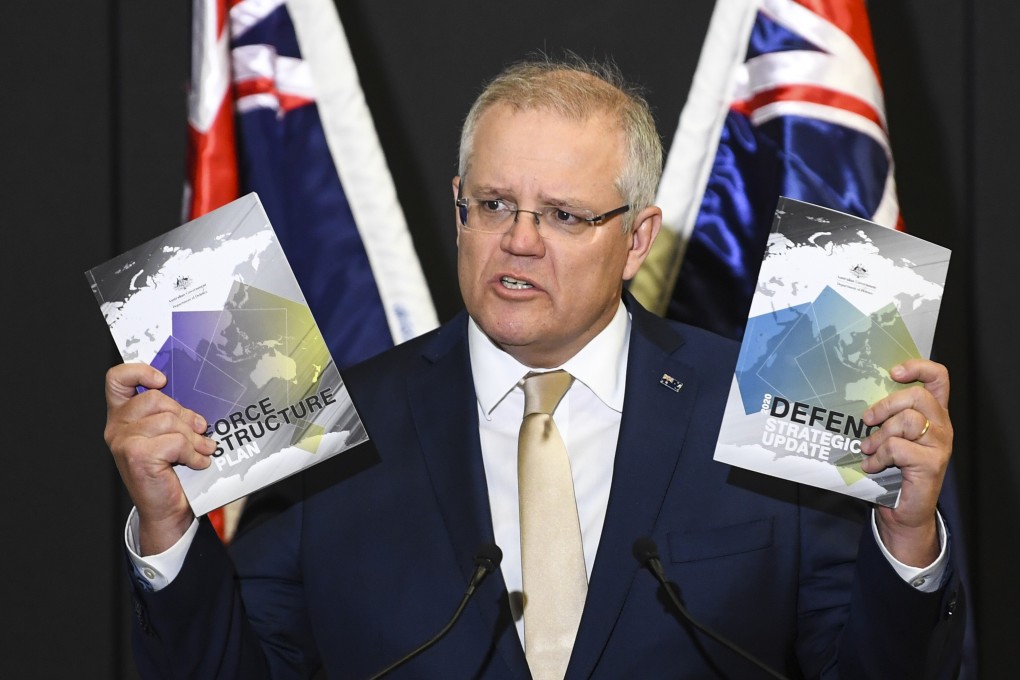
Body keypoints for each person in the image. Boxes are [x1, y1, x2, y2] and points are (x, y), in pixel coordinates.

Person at [104, 55, 964, 679]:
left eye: (561, 214)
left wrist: (907, 536)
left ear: (635, 240)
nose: (518, 238)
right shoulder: (335, 429)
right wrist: (171, 529)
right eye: (492, 205)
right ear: (459, 209)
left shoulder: (758, 403)